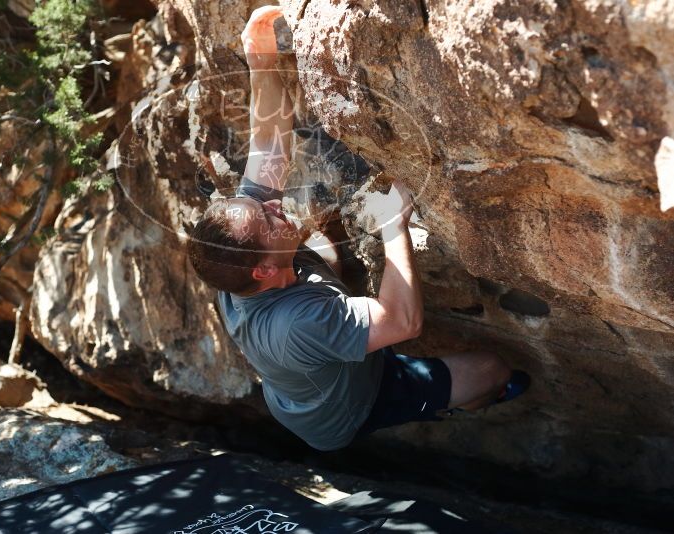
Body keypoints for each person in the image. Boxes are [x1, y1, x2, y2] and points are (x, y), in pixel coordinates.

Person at [187, 6, 527, 451]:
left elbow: (270, 142)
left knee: (319, 243)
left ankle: (351, 336)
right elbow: (405, 321)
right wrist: (392, 226)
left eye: (264, 209)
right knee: (491, 369)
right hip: (346, 409)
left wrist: (261, 61)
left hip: (311, 369)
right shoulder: (297, 324)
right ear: (263, 272)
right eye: (271, 222)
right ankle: (470, 401)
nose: (276, 209)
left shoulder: (237, 253)